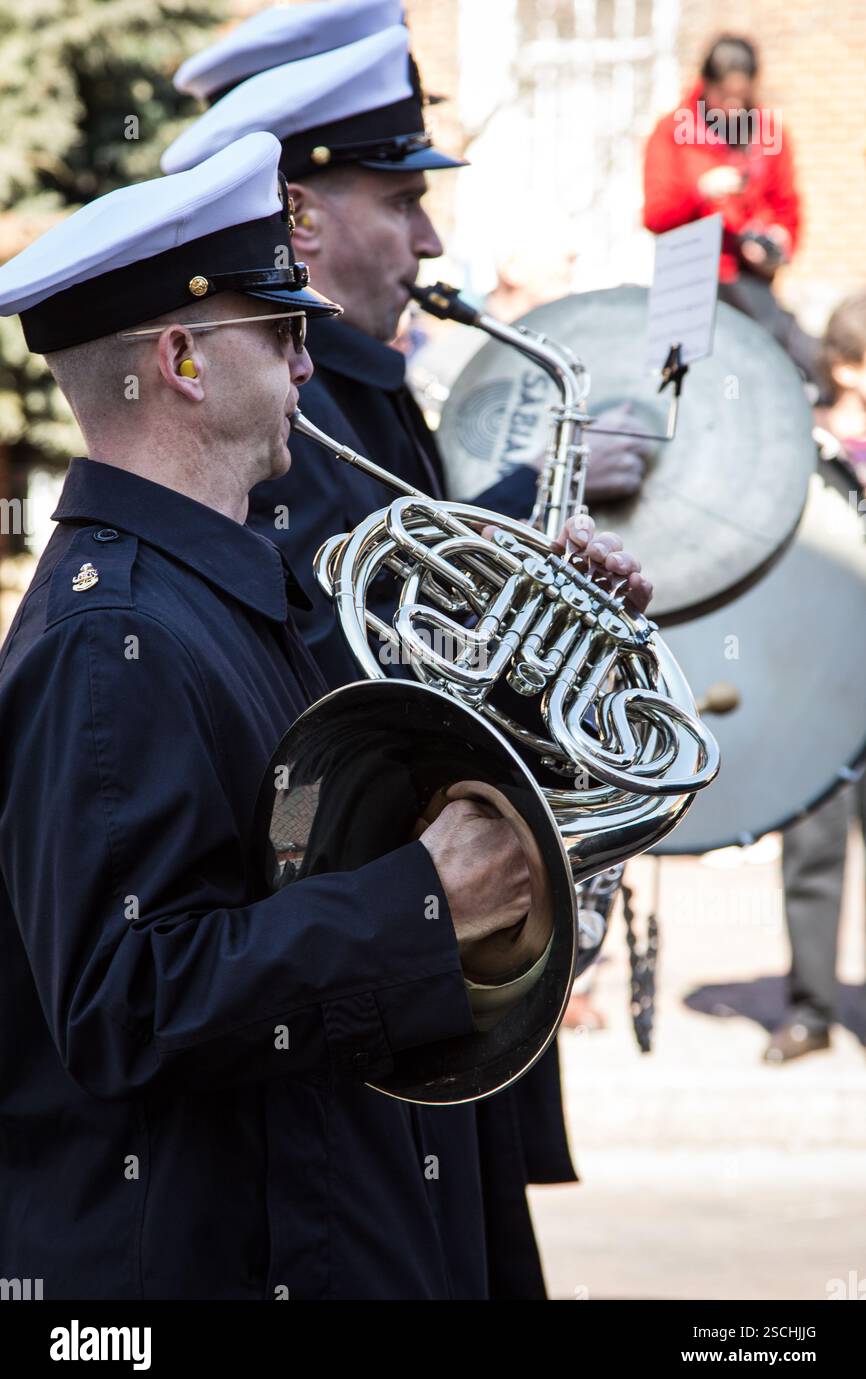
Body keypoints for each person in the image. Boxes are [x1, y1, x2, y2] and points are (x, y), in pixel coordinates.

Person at [0, 132, 653, 1299]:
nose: (311, 369)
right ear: (184, 361)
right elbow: (127, 1003)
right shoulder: (110, 641)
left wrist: (541, 686)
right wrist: (422, 899)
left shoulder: (237, 585)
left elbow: (313, 852)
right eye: (285, 333)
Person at [161, 1, 651, 1298]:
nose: (430, 237)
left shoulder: (361, 389)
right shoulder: (288, 422)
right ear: (300, 215)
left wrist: (558, 606)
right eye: (399, 197)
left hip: (415, 968)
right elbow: (339, 664)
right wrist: (510, 540)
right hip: (366, 974)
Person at [767, 293, 866, 1063]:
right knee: (813, 850)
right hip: (821, 682)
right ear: (845, 368)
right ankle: (810, 1009)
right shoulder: (803, 449)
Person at [643, 33, 817, 381]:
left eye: (742, 96)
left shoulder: (767, 133)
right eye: (725, 96)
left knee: (768, 372)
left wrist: (777, 240)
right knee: (689, 382)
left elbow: (788, 206)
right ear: (706, 86)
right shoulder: (673, 132)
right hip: (690, 278)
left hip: (748, 283)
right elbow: (655, 214)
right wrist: (700, 192)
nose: (734, 107)